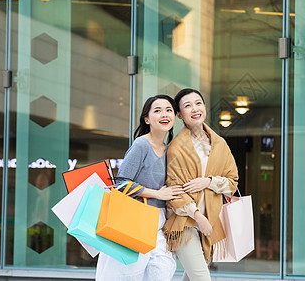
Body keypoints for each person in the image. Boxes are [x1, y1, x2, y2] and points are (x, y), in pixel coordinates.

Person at [96, 94, 184, 281]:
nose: (164, 114)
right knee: (129, 275)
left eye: (168, 110)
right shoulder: (141, 144)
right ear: (147, 119)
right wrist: (158, 194)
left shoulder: (170, 150)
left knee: (161, 272)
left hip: (160, 223)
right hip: (136, 219)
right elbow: (121, 183)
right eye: (157, 110)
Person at [163, 88, 239, 281]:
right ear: (180, 114)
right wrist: (198, 217)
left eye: (198, 103)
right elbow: (175, 192)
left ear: (204, 107)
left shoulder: (219, 143)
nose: (195, 109)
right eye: (187, 106)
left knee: (193, 277)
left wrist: (209, 182)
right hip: (185, 224)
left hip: (211, 220)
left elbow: (232, 182)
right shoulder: (176, 148)